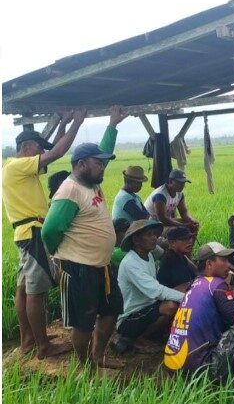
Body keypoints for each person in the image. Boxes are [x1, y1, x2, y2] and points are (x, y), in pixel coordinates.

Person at [41, 105, 127, 368]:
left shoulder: (91, 182)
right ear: (81, 165)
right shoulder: (70, 190)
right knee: (84, 321)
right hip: (79, 269)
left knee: (111, 311)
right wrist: (61, 257)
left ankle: (98, 356)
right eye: (98, 163)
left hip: (101, 266)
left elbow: (103, 149)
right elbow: (50, 231)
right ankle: (83, 367)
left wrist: (112, 125)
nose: (102, 167)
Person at [2, 108, 86, 359]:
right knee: (36, 291)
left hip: (24, 233)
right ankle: (43, 347)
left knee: (24, 289)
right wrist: (77, 123)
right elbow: (57, 152)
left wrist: (61, 123)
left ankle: (28, 340)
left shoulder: (15, 167)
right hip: (33, 232)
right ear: (27, 148)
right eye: (38, 150)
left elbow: (51, 148)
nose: (42, 155)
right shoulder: (18, 166)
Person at [164, 242, 234, 378]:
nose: (228, 265)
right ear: (209, 264)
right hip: (196, 370)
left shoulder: (194, 284)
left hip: (172, 365)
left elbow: (232, 313)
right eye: (224, 260)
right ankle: (222, 379)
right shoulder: (216, 284)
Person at [116, 219, 184, 352]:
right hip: (130, 317)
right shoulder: (131, 263)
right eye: (149, 235)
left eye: (154, 234)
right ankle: (138, 339)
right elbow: (157, 291)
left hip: (147, 306)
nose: (154, 238)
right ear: (136, 240)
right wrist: (187, 298)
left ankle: (153, 333)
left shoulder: (149, 256)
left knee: (183, 287)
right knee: (169, 307)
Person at [145, 169, 199, 235]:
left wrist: (191, 221)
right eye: (179, 183)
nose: (182, 185)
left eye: (183, 183)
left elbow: (184, 212)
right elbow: (162, 219)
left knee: (195, 225)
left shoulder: (180, 194)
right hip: (153, 224)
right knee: (176, 230)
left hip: (165, 222)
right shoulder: (160, 195)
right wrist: (183, 225)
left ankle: (188, 245)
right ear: (170, 181)